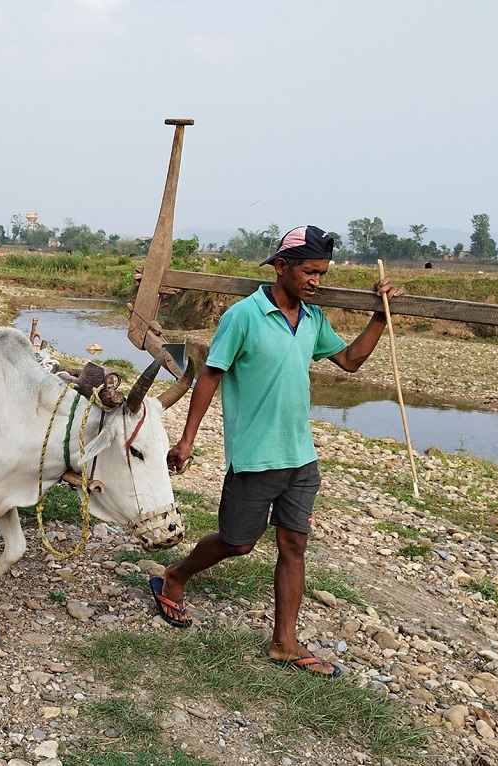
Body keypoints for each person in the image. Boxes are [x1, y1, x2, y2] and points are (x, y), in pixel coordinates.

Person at [156, 224, 404, 677]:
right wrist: (188, 438)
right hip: (255, 455)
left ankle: (284, 642)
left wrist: (380, 317)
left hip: (301, 457)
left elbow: (349, 361)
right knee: (239, 542)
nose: (316, 282)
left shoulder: (312, 319)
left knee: (294, 545)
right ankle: (175, 576)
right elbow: (211, 375)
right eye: (310, 272)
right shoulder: (244, 316)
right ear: (283, 267)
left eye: (322, 274)